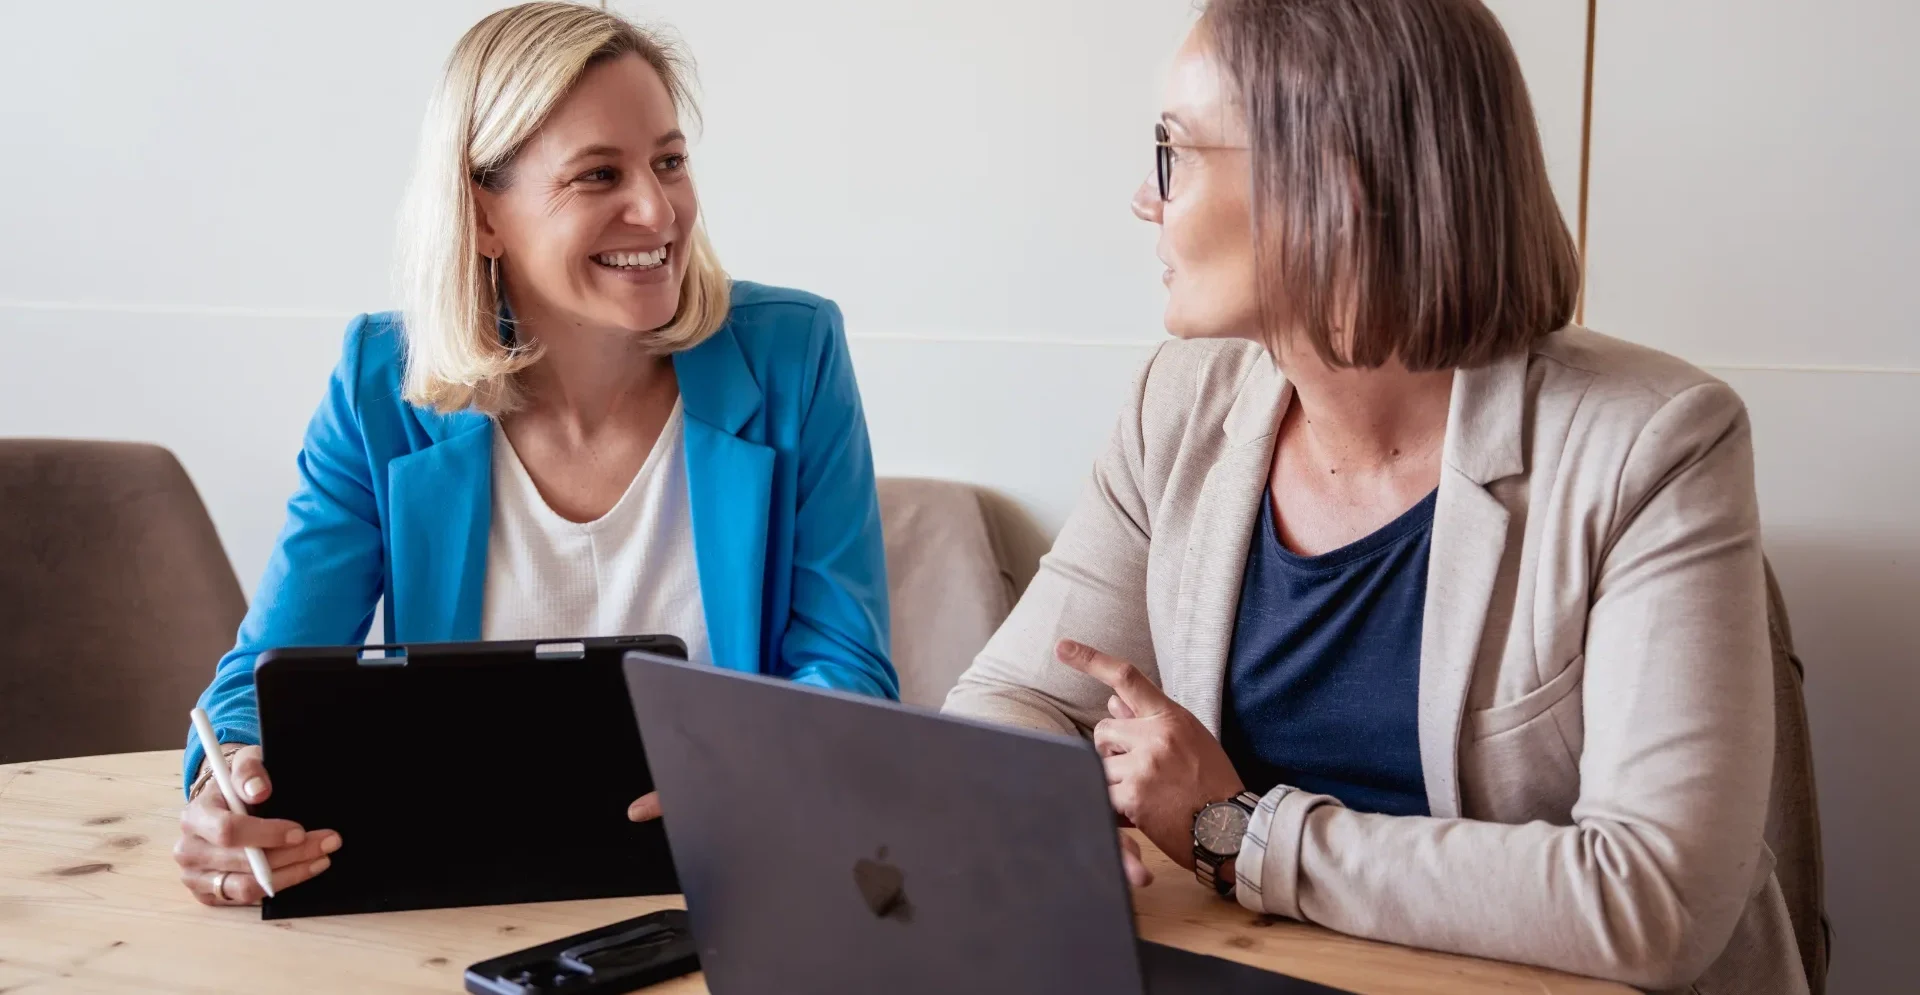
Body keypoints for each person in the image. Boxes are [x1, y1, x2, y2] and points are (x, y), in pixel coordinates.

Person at [943, 1, 1804, 992]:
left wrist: (1239, 832)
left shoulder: (1654, 444)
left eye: (1172, 151)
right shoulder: (1176, 404)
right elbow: (1014, 694)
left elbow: (1656, 897)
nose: (1146, 196)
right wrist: (1039, 806)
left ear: (1330, 187)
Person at [172, 1, 896, 907]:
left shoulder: (793, 351)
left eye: (669, 160)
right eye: (599, 175)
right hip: (455, 894)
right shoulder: (381, 382)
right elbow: (259, 675)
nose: (658, 208)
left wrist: (758, 773)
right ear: (481, 215)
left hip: (729, 886)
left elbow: (847, 663)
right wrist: (225, 786)